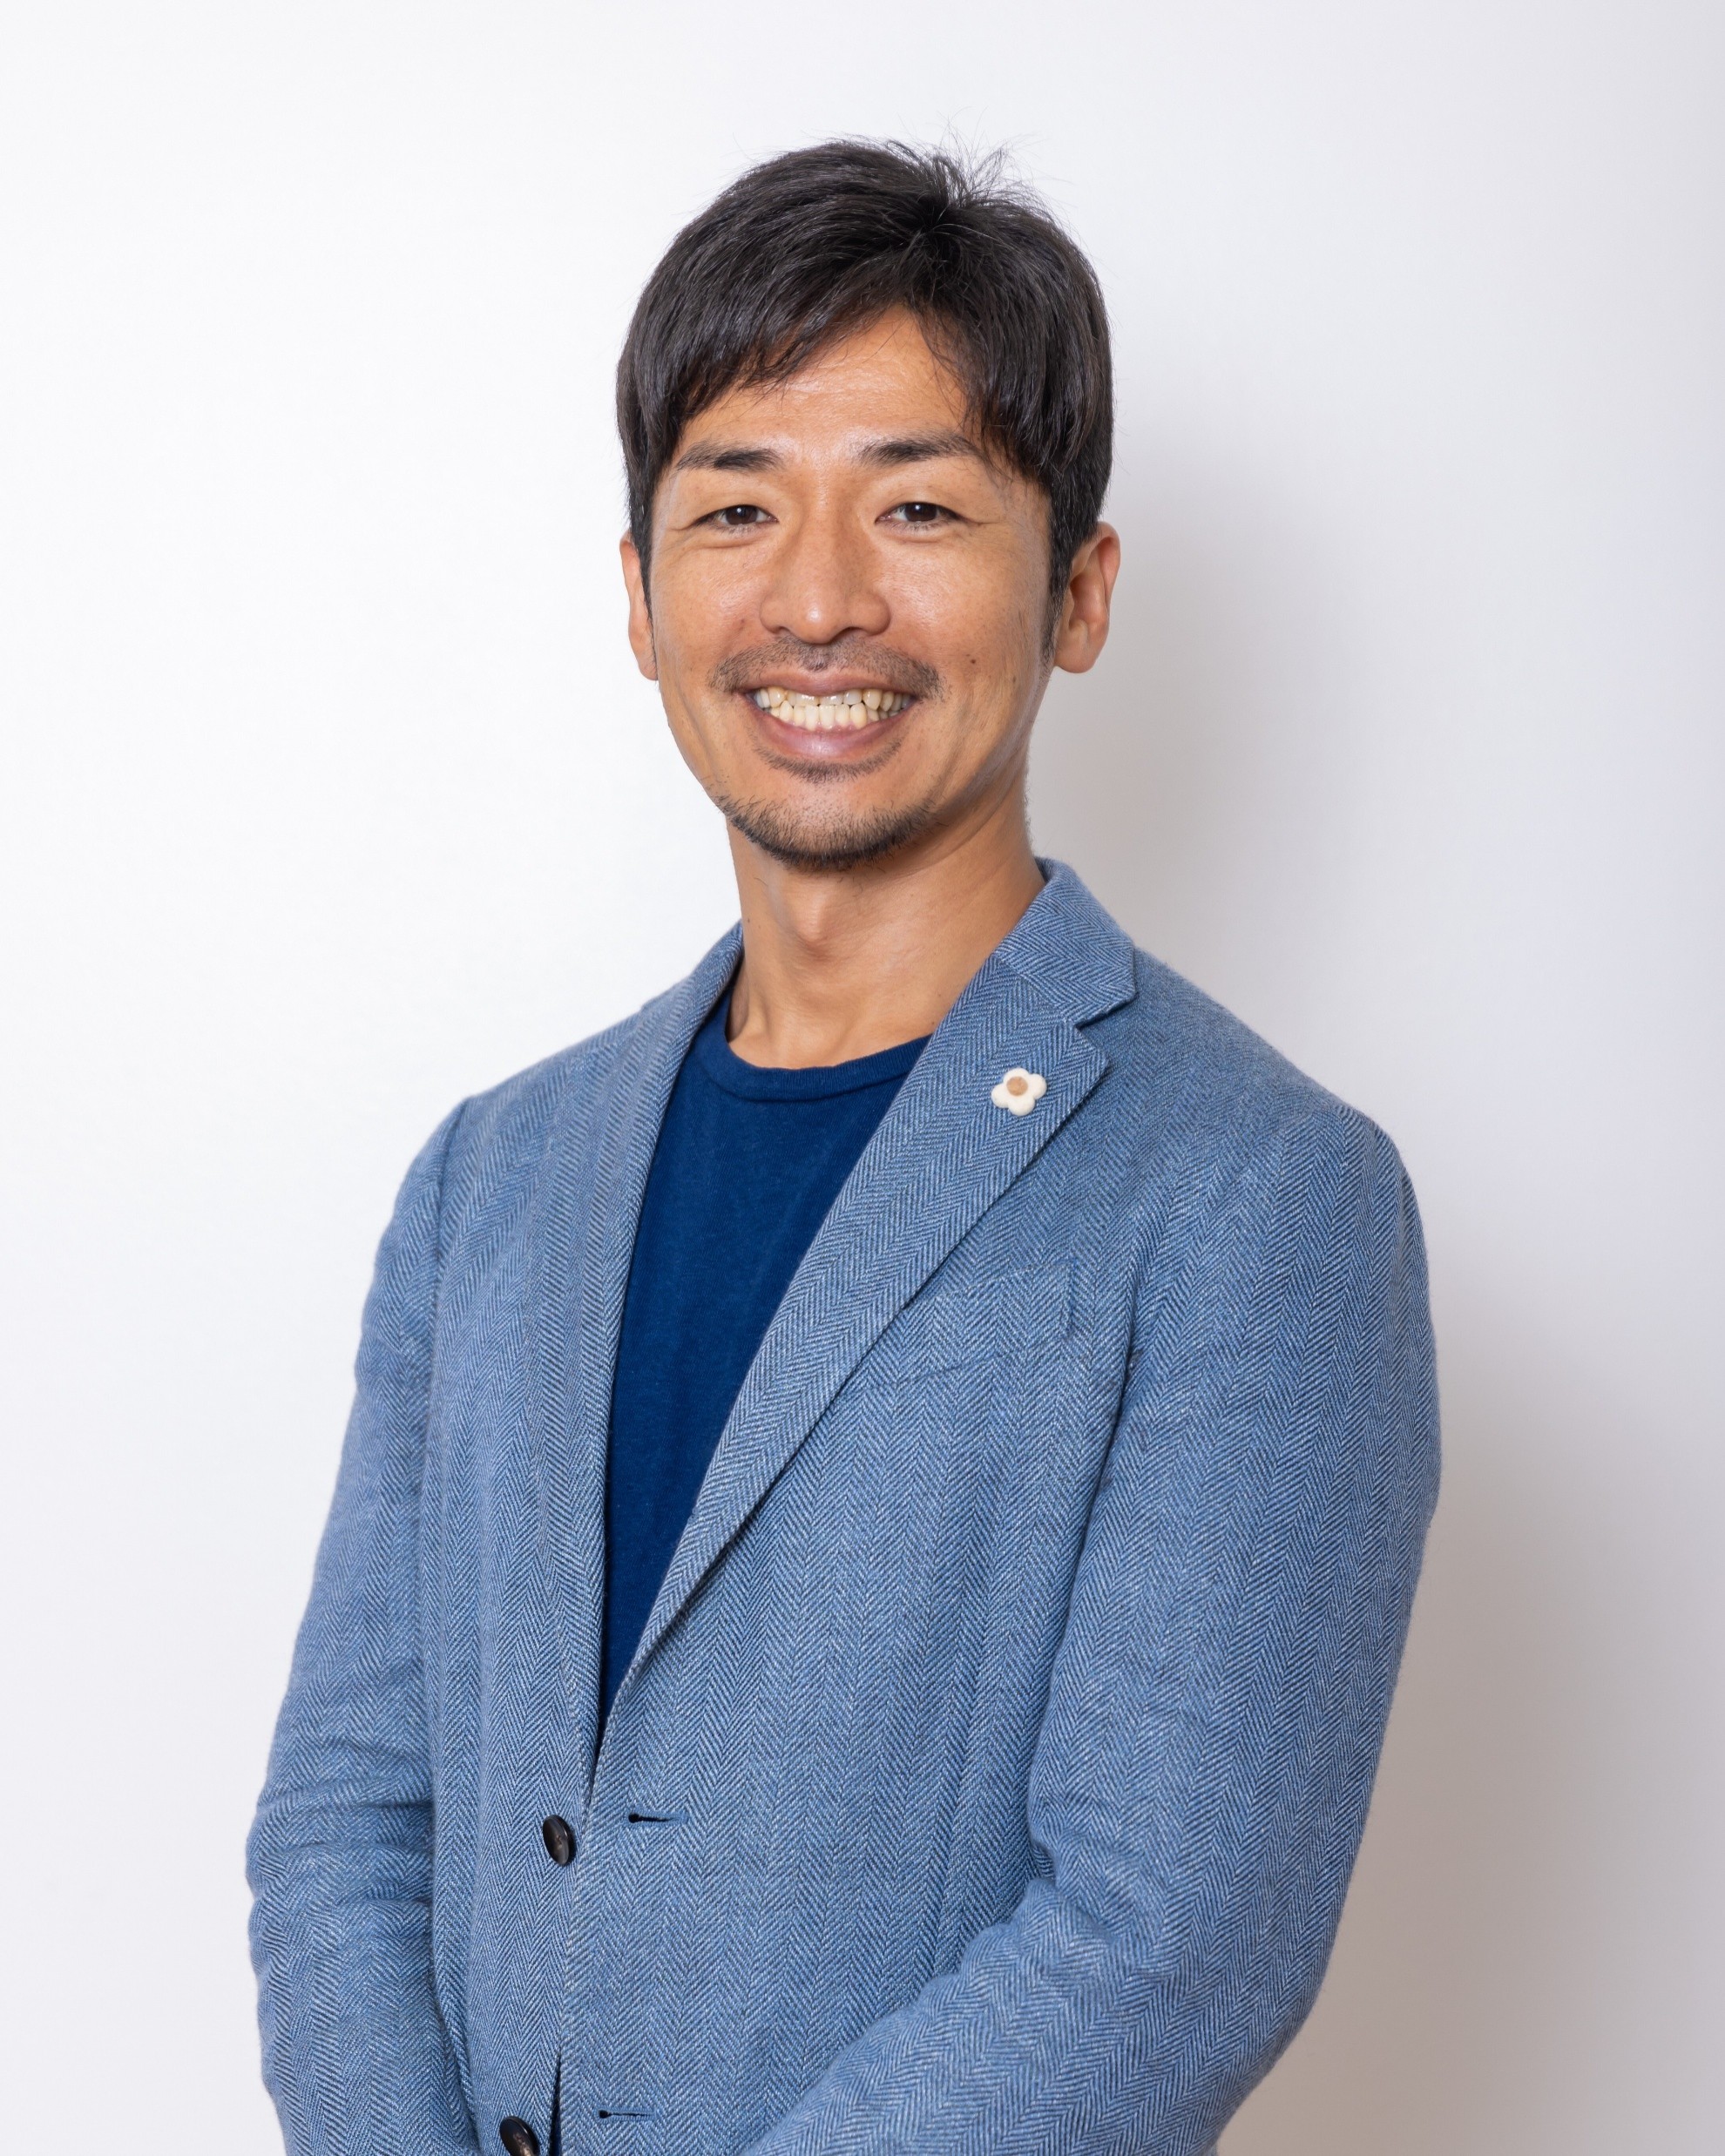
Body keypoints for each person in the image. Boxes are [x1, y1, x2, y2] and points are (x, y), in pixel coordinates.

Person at [247, 141, 1439, 2156]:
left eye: (918, 506)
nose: (816, 599)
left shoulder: (1260, 1197)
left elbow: (1170, 1940)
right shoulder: (490, 1180)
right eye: (736, 504)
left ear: (1080, 590)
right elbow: (345, 1816)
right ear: (640, 597)